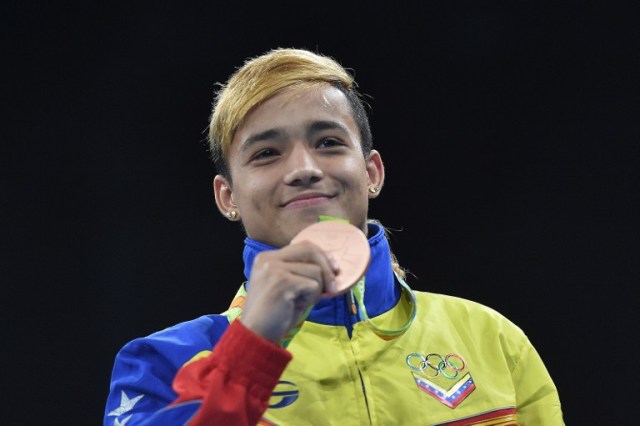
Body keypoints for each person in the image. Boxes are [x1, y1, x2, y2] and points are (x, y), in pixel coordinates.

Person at [104, 47, 564, 425]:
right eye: (266, 153)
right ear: (228, 197)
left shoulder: (490, 339)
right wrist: (253, 348)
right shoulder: (160, 365)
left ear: (371, 172)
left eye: (328, 142)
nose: (304, 169)